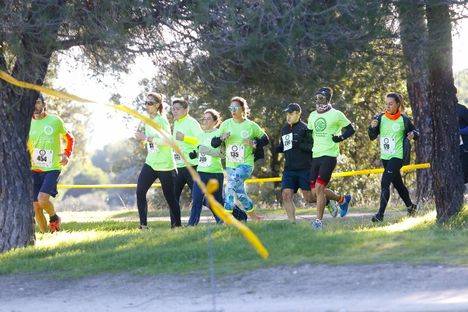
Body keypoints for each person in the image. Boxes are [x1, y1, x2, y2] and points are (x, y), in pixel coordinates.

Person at [277, 103, 342, 223]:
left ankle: (332, 200)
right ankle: (292, 224)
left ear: (298, 114)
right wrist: (278, 148)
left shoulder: (306, 128)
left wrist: (299, 144)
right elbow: (284, 146)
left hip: (305, 168)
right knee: (286, 195)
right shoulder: (285, 129)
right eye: (287, 114)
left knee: (310, 198)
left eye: (291, 114)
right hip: (289, 169)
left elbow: (313, 147)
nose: (288, 117)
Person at [211, 97, 269, 221]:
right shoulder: (226, 124)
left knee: (230, 187)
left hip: (245, 164)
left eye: (235, 108)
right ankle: (254, 217)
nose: (233, 110)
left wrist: (253, 142)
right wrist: (221, 137)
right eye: (231, 108)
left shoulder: (251, 125)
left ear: (243, 109)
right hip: (231, 165)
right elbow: (214, 143)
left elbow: (265, 140)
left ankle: (226, 218)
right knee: (240, 193)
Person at [307, 87, 354, 229]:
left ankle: (318, 222)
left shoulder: (336, 114)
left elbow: (351, 129)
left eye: (321, 97)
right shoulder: (312, 115)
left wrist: (340, 138)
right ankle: (342, 199)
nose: (318, 100)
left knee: (320, 188)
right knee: (315, 193)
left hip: (329, 155)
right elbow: (310, 135)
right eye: (317, 97)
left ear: (328, 98)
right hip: (316, 155)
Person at [368, 93, 419, 222]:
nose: (388, 106)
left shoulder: (404, 119)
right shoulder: (380, 118)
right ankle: (411, 207)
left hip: (397, 156)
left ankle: (380, 215)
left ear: (397, 104)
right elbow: (372, 136)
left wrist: (413, 134)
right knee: (398, 185)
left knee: (385, 182)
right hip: (385, 157)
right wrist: (372, 127)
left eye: (391, 103)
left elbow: (417, 133)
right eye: (386, 103)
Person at [28, 94, 74, 233]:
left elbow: (70, 138)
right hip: (33, 169)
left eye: (37, 103)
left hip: (52, 168)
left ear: (43, 104)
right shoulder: (26, 122)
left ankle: (54, 218)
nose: (35, 106)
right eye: (32, 103)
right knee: (36, 206)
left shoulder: (55, 120)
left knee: (42, 200)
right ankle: (44, 234)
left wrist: (66, 154)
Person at [135, 92, 181, 229]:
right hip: (151, 163)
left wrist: (147, 138)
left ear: (157, 105)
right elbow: (149, 140)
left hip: (165, 165)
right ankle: (143, 225)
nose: (147, 106)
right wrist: (142, 139)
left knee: (170, 198)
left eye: (150, 103)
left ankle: (177, 226)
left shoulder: (162, 121)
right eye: (146, 103)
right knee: (140, 192)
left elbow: (168, 141)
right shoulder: (147, 120)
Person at [187, 109, 224, 225]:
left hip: (215, 172)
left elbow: (222, 154)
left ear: (215, 121)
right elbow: (200, 151)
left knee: (217, 201)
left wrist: (207, 150)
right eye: (204, 118)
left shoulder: (219, 134)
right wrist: (195, 154)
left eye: (208, 119)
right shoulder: (200, 135)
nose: (205, 121)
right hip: (201, 172)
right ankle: (191, 225)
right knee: (197, 199)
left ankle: (223, 221)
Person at [171, 98, 204, 205]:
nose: (174, 111)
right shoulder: (177, 122)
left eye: (177, 109)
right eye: (173, 109)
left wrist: (184, 138)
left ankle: (237, 214)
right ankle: (176, 222)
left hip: (192, 166)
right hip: (179, 166)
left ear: (186, 110)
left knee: (203, 198)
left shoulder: (192, 122)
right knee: (172, 196)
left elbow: (202, 140)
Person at [456, 93, 468, 185]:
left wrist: (458, 131)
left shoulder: (462, 109)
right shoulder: (441, 111)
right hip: (450, 150)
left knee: (464, 177)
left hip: (464, 148)